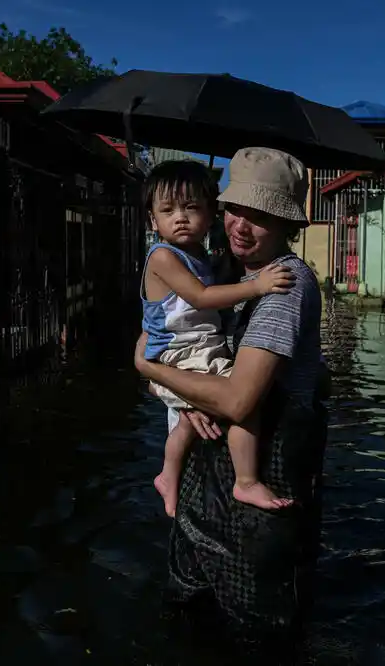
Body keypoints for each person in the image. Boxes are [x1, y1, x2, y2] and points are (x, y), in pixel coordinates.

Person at [134, 147, 327, 639]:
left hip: (265, 482)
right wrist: (181, 393)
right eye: (235, 209)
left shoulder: (282, 285)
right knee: (192, 621)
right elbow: (175, 336)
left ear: (288, 224)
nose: (241, 225)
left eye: (260, 216)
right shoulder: (228, 272)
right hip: (212, 482)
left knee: (257, 631)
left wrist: (148, 370)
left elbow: (238, 402)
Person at [140, 160, 295, 517]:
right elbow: (200, 297)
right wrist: (256, 286)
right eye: (167, 210)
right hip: (182, 351)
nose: (179, 217)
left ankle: (168, 474)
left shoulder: (199, 256)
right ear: (152, 220)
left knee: (187, 422)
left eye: (191, 208)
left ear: (210, 215)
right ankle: (245, 481)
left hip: (193, 347)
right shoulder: (164, 256)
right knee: (244, 400)